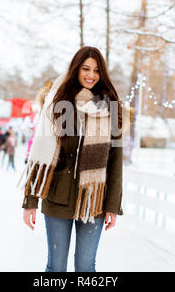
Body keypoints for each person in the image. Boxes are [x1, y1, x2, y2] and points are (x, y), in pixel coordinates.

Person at [19, 46, 123, 272]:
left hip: (94, 200)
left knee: (86, 268)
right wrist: (30, 202)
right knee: (56, 268)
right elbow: (40, 153)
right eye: (86, 68)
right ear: (76, 70)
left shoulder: (110, 108)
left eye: (96, 70)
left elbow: (115, 162)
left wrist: (113, 206)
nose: (91, 75)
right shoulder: (57, 104)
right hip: (57, 197)